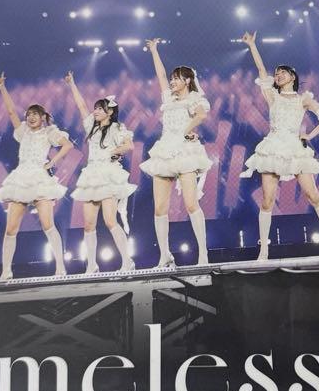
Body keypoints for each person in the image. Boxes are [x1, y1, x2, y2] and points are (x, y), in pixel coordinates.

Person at [239, 32, 319, 260]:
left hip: (295, 148)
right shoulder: (272, 96)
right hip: (273, 147)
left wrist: (309, 135)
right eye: (276, 74)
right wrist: (252, 45)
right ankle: (264, 251)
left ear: (292, 76)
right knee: (267, 200)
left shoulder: (303, 98)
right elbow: (261, 71)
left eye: (282, 72)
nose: (278, 75)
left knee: (313, 196)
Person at [139, 39, 212, 267]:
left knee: (191, 204)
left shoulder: (194, 98)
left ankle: (203, 254)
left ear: (187, 80)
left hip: (185, 152)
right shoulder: (168, 98)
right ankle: (165, 255)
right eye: (172, 79)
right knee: (160, 208)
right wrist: (154, 50)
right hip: (164, 151)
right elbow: (160, 74)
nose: (171, 81)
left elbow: (201, 115)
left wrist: (185, 131)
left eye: (176, 78)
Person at [0, 72, 72, 279]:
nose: (31, 117)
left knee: (47, 224)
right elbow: (11, 111)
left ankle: (60, 267)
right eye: (28, 114)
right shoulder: (23, 132)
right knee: (11, 228)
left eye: (35, 114)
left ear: (43, 117)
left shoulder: (49, 132)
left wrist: (51, 163)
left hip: (39, 179)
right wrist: (2, 88)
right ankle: (6, 271)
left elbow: (67, 145)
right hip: (20, 179)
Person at [65, 72, 137, 273]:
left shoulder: (117, 127)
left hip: (108, 175)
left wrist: (112, 152)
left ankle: (127, 261)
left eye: (99, 108)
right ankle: (92, 265)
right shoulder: (92, 127)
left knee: (110, 220)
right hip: (91, 175)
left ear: (109, 112)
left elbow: (129, 145)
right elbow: (81, 106)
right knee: (88, 224)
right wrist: (72, 84)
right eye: (95, 108)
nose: (95, 111)